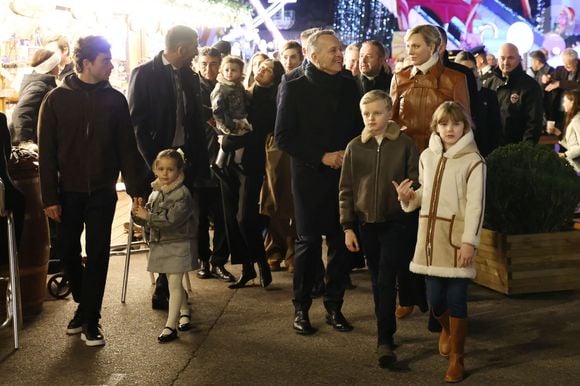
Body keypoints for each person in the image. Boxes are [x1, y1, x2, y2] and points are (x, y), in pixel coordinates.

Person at [38, 35, 147, 346]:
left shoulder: (115, 100)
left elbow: (127, 148)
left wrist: (137, 187)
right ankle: (84, 307)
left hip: (102, 190)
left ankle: (91, 319)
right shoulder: (55, 100)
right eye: (105, 61)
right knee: (69, 252)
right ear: (86, 64)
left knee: (98, 253)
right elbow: (46, 153)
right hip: (66, 192)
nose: (111, 65)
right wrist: (49, 197)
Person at [276, 30, 363, 335]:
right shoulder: (293, 83)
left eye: (340, 49)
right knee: (308, 243)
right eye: (332, 51)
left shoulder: (349, 83)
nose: (339, 54)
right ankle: (301, 308)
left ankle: (334, 307)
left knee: (341, 242)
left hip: (343, 176)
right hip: (309, 177)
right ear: (313, 56)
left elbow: (358, 127)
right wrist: (321, 156)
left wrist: (350, 154)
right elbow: (284, 136)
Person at [394, 101, 486, 382]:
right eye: (444, 124)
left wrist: (470, 241)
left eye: (456, 124)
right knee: (434, 300)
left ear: (465, 126)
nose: (450, 129)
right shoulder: (427, 157)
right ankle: (446, 329)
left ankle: (458, 357)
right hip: (430, 240)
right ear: (436, 127)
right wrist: (408, 198)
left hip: (457, 240)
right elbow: (425, 194)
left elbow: (476, 206)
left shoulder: (475, 162)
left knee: (457, 298)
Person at [128, 25, 208, 310]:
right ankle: (163, 285)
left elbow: (195, 121)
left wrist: (197, 161)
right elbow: (136, 125)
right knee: (160, 223)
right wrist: (157, 162)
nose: (198, 51)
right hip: (155, 166)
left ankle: (172, 283)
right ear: (180, 48)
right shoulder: (144, 73)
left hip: (184, 163)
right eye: (195, 45)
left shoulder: (189, 75)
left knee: (182, 223)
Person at [339, 90, 419, 368]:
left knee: (385, 278)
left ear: (389, 113)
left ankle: (384, 340)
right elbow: (346, 190)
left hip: (396, 221)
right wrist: (348, 226)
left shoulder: (405, 144)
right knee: (377, 280)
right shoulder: (354, 147)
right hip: (365, 224)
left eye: (377, 113)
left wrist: (409, 195)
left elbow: (415, 180)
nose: (371, 119)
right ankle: (386, 333)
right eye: (366, 114)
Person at [223, 59, 284, 289]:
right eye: (261, 66)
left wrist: (231, 138)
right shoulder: (245, 94)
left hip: (258, 163)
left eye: (268, 69)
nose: (262, 70)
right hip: (234, 162)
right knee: (233, 217)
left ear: (275, 76)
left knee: (245, 216)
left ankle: (262, 263)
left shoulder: (276, 99)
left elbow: (256, 132)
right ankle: (248, 269)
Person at [132, 149, 197, 343]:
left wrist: (147, 216)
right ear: (154, 169)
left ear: (179, 170)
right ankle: (184, 311)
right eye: (161, 168)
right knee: (172, 281)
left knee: (174, 283)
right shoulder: (155, 193)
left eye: (170, 169)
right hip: (161, 243)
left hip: (178, 243)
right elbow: (148, 221)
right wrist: (138, 214)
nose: (165, 173)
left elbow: (171, 221)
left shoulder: (182, 194)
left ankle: (170, 325)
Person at [390, 24, 470, 152]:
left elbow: (465, 124)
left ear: (432, 47)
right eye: (408, 46)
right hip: (404, 155)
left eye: (416, 46)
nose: (410, 52)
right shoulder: (399, 78)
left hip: (441, 154)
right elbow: (391, 121)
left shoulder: (455, 79)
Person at [194, 47, 233, 282]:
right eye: (205, 64)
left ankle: (219, 261)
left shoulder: (227, 88)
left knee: (222, 216)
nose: (209, 68)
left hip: (223, 159)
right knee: (199, 217)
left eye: (214, 64)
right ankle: (203, 260)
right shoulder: (192, 88)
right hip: (199, 160)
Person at [486, 43, 543, 145]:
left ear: (519, 59)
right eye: (502, 58)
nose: (506, 62)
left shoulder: (530, 86)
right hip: (491, 149)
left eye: (510, 58)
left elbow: (533, 124)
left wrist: (524, 151)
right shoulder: (490, 83)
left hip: (516, 151)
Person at [454, 51, 501, 157]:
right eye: (463, 70)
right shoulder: (450, 97)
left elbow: (495, 130)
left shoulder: (489, 96)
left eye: (471, 70)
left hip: (483, 154)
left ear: (477, 70)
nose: (468, 74)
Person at [210, 55, 252, 170]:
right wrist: (226, 125)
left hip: (241, 117)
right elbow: (217, 109)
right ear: (222, 70)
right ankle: (219, 163)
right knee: (227, 144)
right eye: (227, 70)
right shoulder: (221, 88)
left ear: (240, 72)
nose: (229, 73)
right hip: (229, 120)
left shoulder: (238, 85)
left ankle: (238, 161)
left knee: (242, 141)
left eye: (234, 70)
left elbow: (244, 97)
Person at [10, 48, 60, 144]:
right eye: (57, 65)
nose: (60, 68)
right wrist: (26, 142)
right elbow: (20, 112)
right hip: (33, 143)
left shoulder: (41, 83)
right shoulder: (40, 86)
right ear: (51, 67)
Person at [543, 48, 580, 130]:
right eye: (564, 63)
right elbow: (551, 78)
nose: (566, 66)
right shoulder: (561, 69)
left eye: (569, 64)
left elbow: (577, 85)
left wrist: (559, 84)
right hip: (561, 108)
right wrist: (547, 78)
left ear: (576, 61)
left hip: (576, 108)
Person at [547, 89, 580, 172]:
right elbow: (573, 145)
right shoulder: (574, 118)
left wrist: (565, 155)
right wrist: (558, 134)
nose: (563, 104)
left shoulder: (577, 120)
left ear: (572, 102)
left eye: (565, 101)